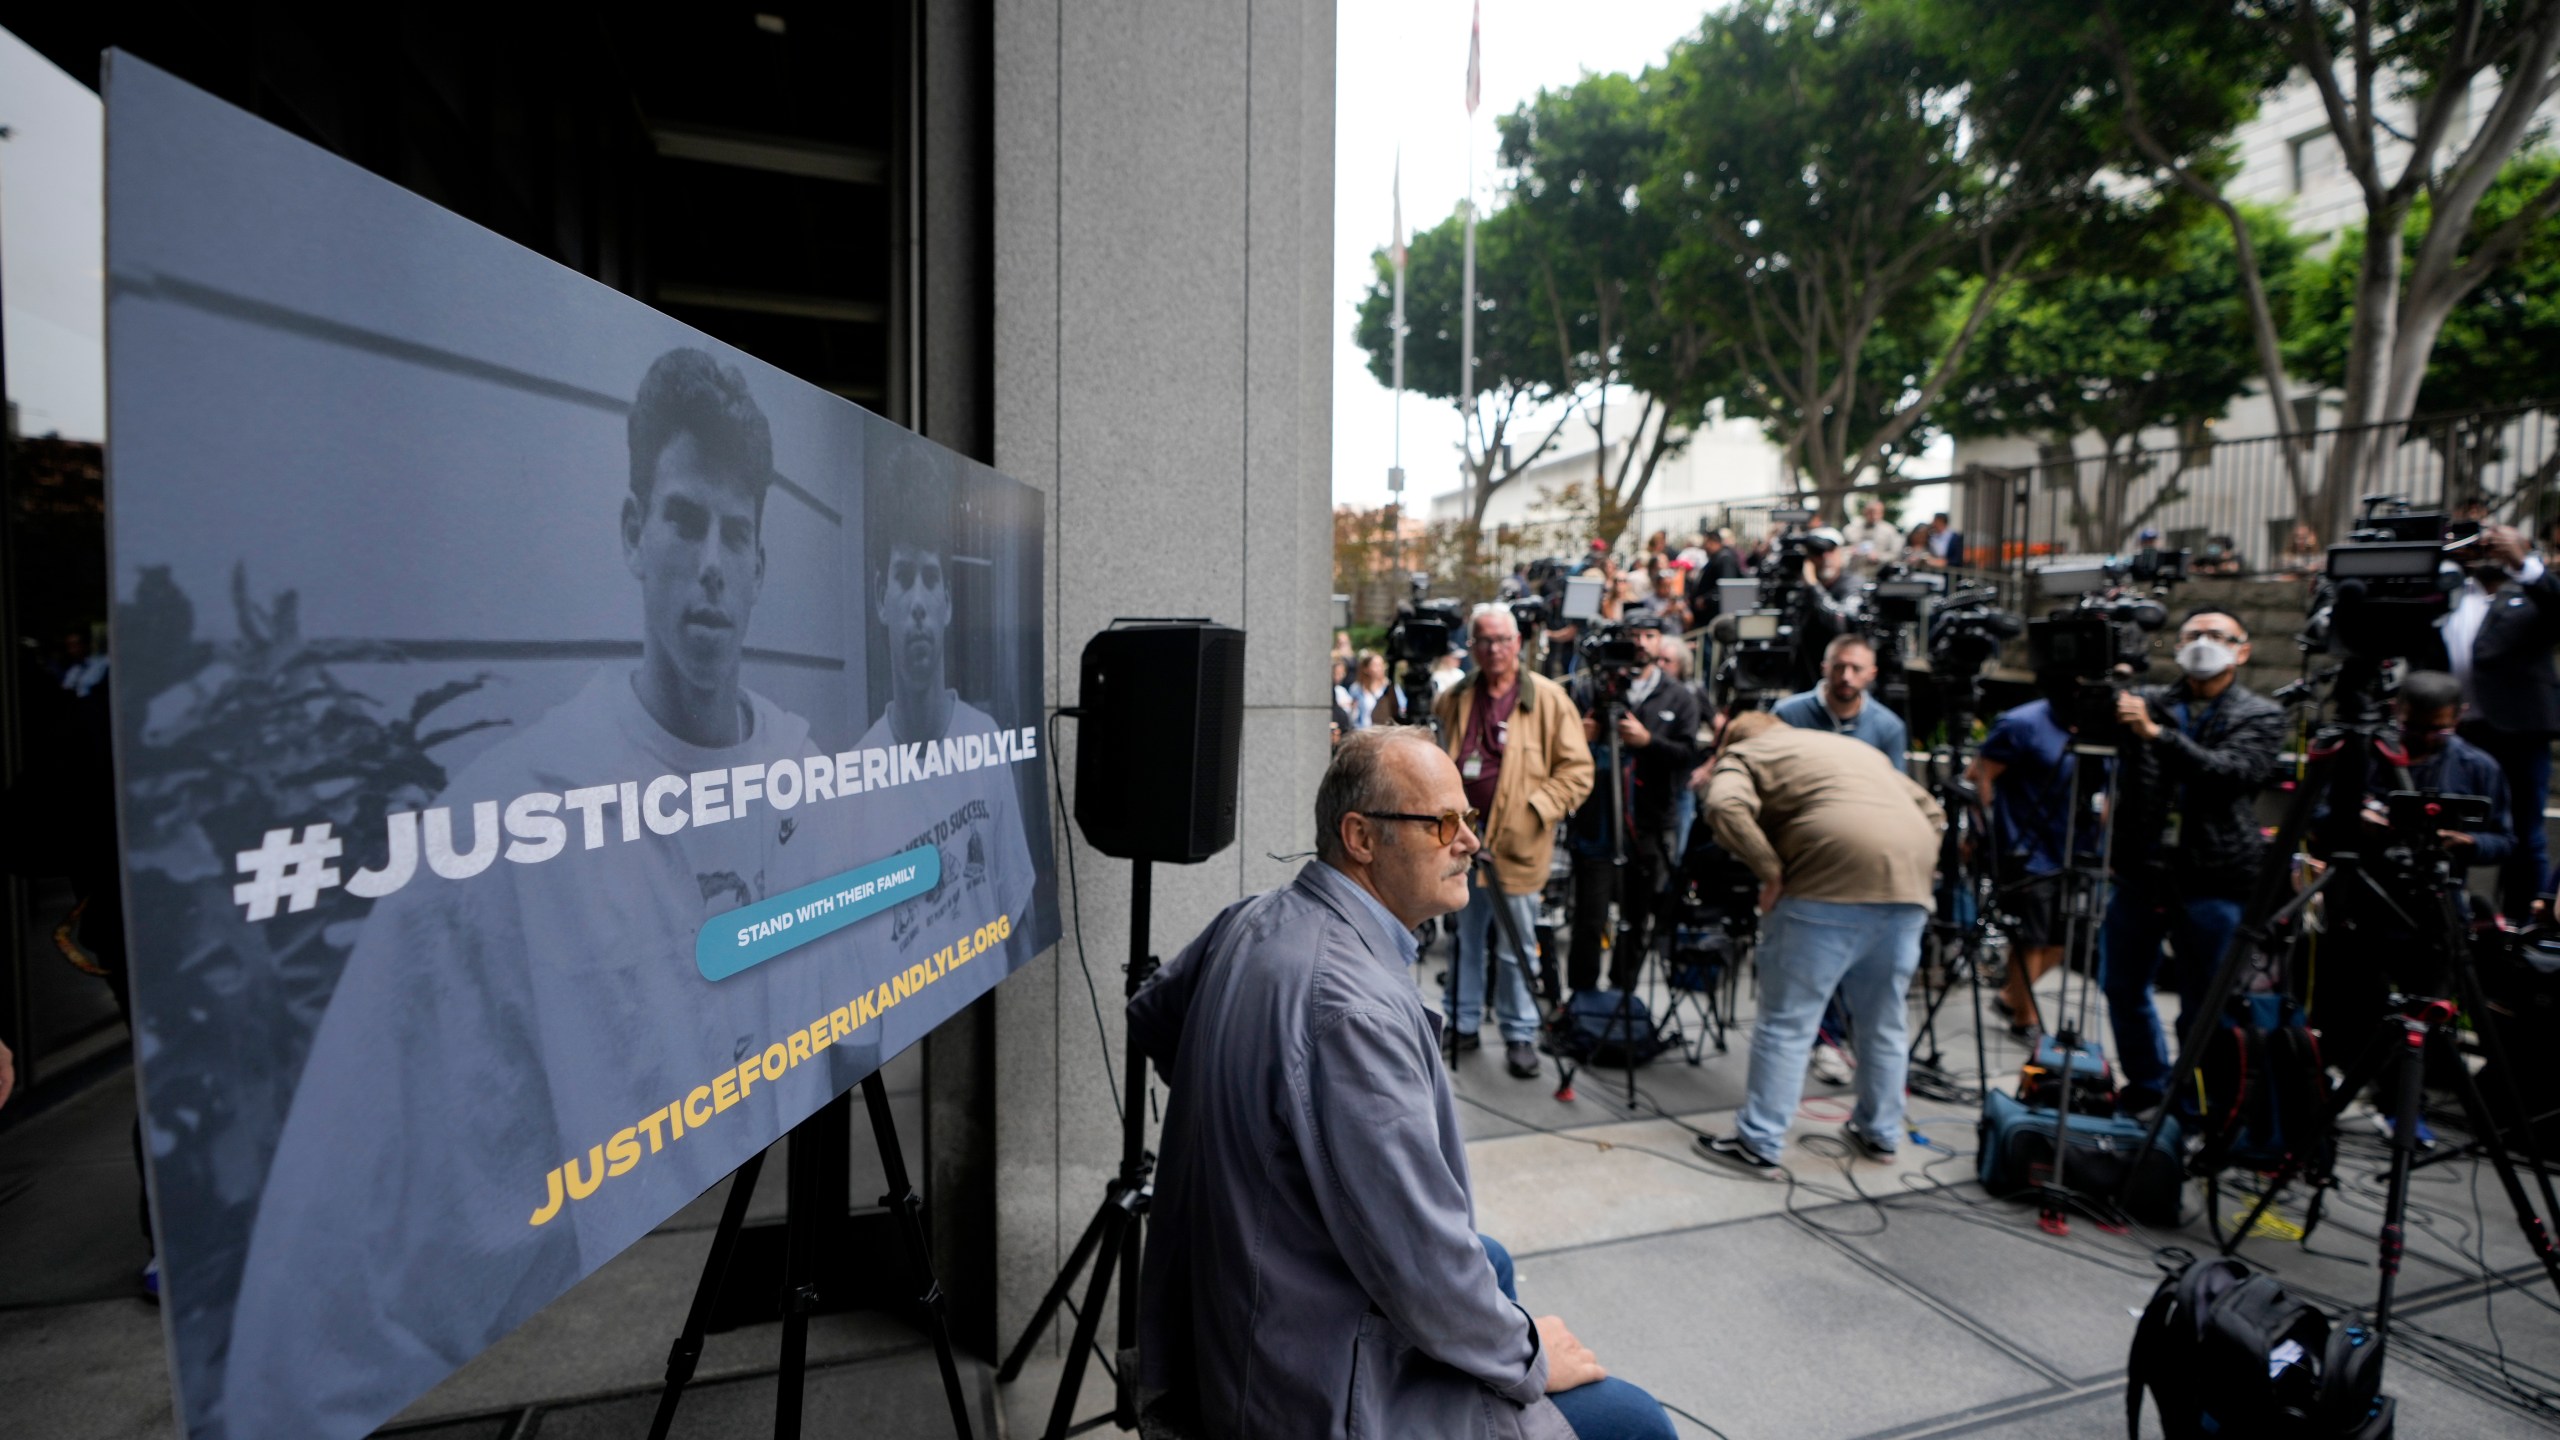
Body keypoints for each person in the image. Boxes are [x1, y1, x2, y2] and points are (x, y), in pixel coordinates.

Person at [225, 348, 877, 1435]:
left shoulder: (806, 773)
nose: (710, 562)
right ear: (633, 533)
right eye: (683, 521)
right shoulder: (509, 819)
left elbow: (849, 1013)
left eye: (735, 532)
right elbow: (341, 1241)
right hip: (579, 1326)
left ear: (761, 563)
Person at [1129, 729, 1674, 1440]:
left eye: (1469, 819)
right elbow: (1426, 1270)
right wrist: (1533, 1357)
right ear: (1360, 836)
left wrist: (1272, 1159)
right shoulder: (1351, 1011)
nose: (1470, 842)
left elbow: (1154, 1018)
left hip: (1250, 1305)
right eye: (1442, 822)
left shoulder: (1253, 916)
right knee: (1633, 1421)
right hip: (1300, 1378)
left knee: (1494, 1261)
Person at [1696, 712, 1945, 1172]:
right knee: (1884, 1020)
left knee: (1788, 1021)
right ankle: (1881, 1132)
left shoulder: (1746, 752)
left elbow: (1723, 805)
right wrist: (1920, 865)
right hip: (1907, 890)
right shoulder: (1854, 749)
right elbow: (1931, 809)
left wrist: (1768, 869)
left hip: (1823, 887)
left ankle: (1760, 1140)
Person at [2101, 609, 2284, 1117]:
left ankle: (2199, 1102)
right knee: (2121, 984)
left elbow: (2232, 775)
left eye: (2218, 636)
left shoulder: (2260, 714)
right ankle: (2147, 1086)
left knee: (2206, 1004)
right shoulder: (2150, 701)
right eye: (2193, 635)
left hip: (2215, 876)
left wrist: (2157, 735)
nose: (2204, 643)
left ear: (2242, 651)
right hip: (2142, 870)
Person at [1435, 605, 1596, 1078]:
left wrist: (1535, 811)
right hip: (1462, 843)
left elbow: (1578, 771)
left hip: (1520, 847)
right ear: (1472, 646)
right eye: (1484, 640)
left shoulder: (1548, 698)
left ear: (1519, 642)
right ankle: (1461, 1023)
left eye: (1503, 640)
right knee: (1464, 940)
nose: (1495, 650)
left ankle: (1519, 1032)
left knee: (1517, 946)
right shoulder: (1456, 696)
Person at [2411, 521, 2560, 918]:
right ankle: (2447, 920)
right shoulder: (2449, 593)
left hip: (2519, 733)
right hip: (2455, 734)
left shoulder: (2533, 590)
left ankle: (2520, 927)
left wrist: (2523, 562)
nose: (2486, 548)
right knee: (2447, 831)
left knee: (2526, 837)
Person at [1566, 616, 1703, 1000]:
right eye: (1633, 636)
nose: (1641, 643)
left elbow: (1688, 756)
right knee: (1589, 919)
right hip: (1598, 825)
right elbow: (1563, 753)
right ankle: (1581, 1000)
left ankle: (1623, 997)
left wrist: (1648, 742)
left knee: (1636, 919)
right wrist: (1583, 735)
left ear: (1661, 642)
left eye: (1649, 635)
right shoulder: (1592, 689)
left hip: (1650, 825)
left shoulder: (1680, 696)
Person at [1969, 694, 2097, 1035]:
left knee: (2062, 940)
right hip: (2028, 850)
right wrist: (1988, 833)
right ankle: (2026, 1020)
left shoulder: (2100, 724)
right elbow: (1977, 773)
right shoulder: (2023, 723)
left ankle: (2011, 997)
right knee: (2031, 939)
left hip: (2075, 850)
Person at [1773, 635, 1907, 763]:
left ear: (1872, 674)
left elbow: (1894, 783)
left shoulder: (1888, 727)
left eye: (1856, 668)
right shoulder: (1787, 714)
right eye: (1839, 667)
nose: (1846, 677)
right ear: (1824, 668)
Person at [1841, 498, 1899, 578]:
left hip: (1878, 575)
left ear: (1882, 513)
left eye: (1877, 512)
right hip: (1853, 573)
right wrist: (1850, 550)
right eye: (1870, 512)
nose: (1873, 515)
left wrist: (1879, 557)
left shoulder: (1890, 531)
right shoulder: (1851, 529)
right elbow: (1839, 550)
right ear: (1864, 512)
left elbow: (1895, 554)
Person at [1347, 650, 1401, 729]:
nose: (1380, 668)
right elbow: (1351, 714)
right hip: (1364, 732)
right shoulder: (1356, 689)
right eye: (1376, 665)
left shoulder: (1391, 687)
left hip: (1384, 732)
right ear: (1366, 669)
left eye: (1381, 665)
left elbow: (1401, 707)